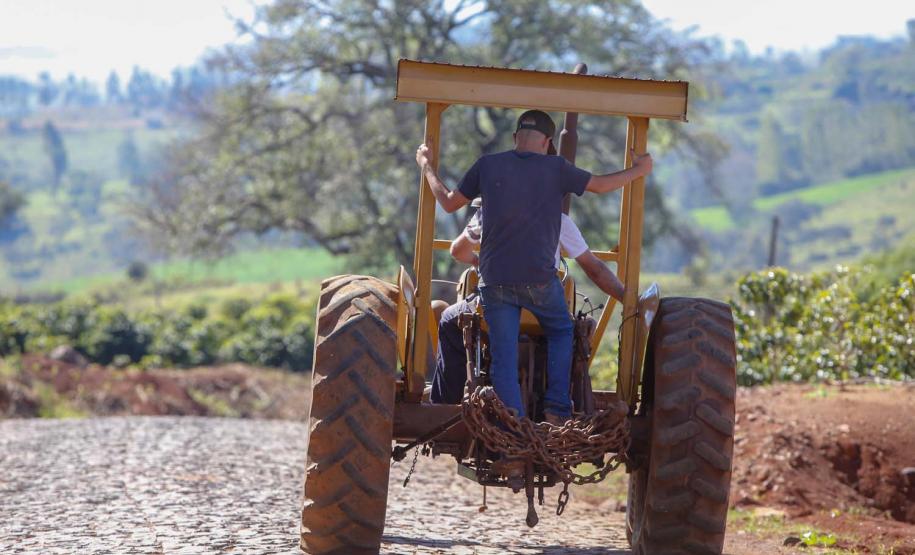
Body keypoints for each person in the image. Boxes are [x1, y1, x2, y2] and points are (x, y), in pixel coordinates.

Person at [415, 109, 652, 424]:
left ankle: (512, 423)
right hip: (540, 283)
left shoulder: (487, 166)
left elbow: (447, 203)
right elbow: (600, 186)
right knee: (562, 331)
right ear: (547, 142)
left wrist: (427, 166)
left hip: (494, 284)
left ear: (515, 138)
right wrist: (639, 170)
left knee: (502, 354)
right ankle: (556, 410)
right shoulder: (556, 170)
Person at [430, 200, 626, 407]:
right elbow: (594, 268)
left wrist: (477, 261)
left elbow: (457, 251)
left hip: (495, 301)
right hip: (543, 302)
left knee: (448, 319)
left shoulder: (488, 213)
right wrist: (627, 297)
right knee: (568, 330)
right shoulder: (559, 221)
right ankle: (559, 405)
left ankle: (446, 407)